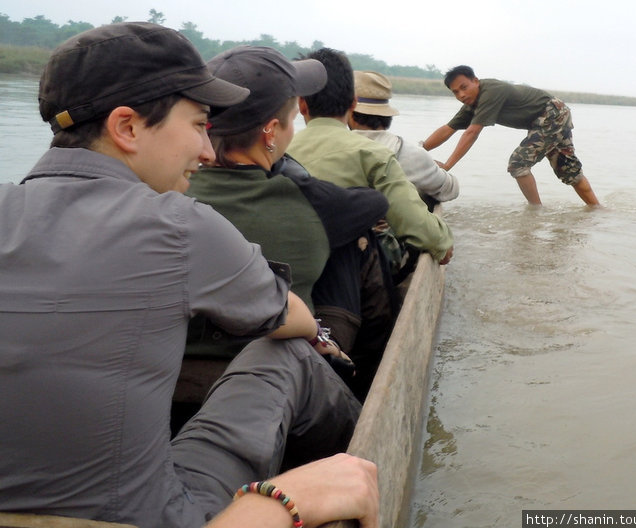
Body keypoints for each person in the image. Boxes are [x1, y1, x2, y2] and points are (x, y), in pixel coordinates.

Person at [0, 22, 378, 528]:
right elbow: (292, 317)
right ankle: (359, 465)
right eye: (199, 125)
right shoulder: (178, 224)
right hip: (162, 516)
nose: (206, 150)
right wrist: (321, 341)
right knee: (288, 352)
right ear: (127, 127)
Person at [181, 45, 390, 402]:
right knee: (356, 241)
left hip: (178, 369)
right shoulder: (305, 197)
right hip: (275, 372)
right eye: (292, 119)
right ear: (271, 131)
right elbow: (375, 203)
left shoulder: (167, 190)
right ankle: (365, 377)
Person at [287, 48, 455, 266]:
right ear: (353, 103)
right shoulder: (374, 154)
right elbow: (415, 224)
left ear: (301, 105)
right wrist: (442, 243)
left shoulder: (279, 152)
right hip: (351, 271)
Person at [422, 65, 600, 206]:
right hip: (550, 117)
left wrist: (447, 165)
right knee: (569, 171)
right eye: (455, 92)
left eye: (464, 87)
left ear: (475, 81)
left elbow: (472, 132)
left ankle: (535, 212)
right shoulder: (471, 104)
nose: (461, 94)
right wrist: (419, 149)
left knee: (518, 164)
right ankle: (598, 210)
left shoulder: (490, 92)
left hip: (552, 113)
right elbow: (448, 129)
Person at [349, 70, 460, 209]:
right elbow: (452, 189)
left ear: (348, 111)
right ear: (386, 114)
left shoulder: (330, 146)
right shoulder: (410, 153)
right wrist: (432, 166)